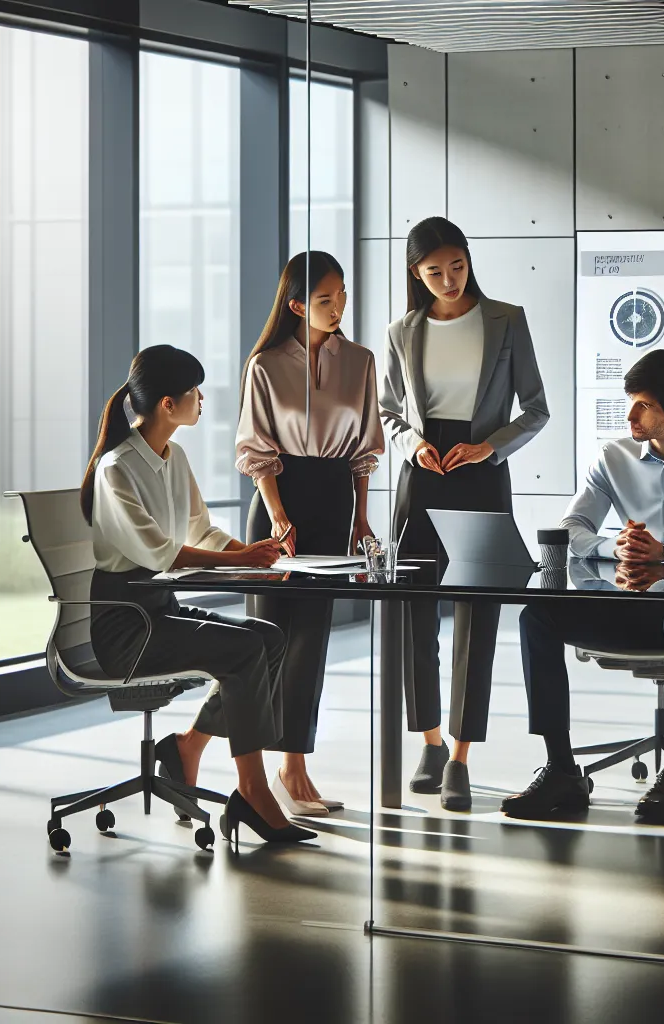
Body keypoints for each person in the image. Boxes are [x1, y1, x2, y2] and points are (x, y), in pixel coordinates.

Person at [502, 349, 664, 825]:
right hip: (630, 605)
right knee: (537, 614)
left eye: (642, 405)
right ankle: (561, 769)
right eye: (630, 402)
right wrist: (616, 546)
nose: (630, 415)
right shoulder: (613, 457)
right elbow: (572, 525)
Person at [81, 345, 313, 846]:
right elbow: (160, 552)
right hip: (124, 626)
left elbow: (200, 532)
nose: (202, 400)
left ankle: (189, 746)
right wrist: (241, 563)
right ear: (169, 404)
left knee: (267, 638)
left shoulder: (173, 456)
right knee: (245, 649)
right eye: (194, 392)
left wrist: (257, 558)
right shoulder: (116, 469)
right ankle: (252, 791)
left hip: (159, 613)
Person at [379, 216, 549, 812]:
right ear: (415, 274)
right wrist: (411, 445)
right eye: (434, 272)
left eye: (457, 266)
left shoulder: (507, 320)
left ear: (470, 260)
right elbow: (387, 412)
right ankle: (428, 739)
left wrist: (491, 446)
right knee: (414, 613)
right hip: (421, 478)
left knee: (477, 618)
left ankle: (460, 757)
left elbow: (536, 409)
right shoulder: (403, 330)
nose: (449, 281)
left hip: (480, 474)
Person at [234, 251, 385, 817]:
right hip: (280, 500)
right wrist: (276, 515)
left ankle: (294, 769)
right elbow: (255, 448)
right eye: (326, 299)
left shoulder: (362, 361)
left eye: (342, 294)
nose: (339, 306)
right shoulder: (266, 366)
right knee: (266, 641)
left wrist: (362, 518)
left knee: (311, 643)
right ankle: (239, 765)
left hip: (334, 502)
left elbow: (367, 448)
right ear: (297, 305)